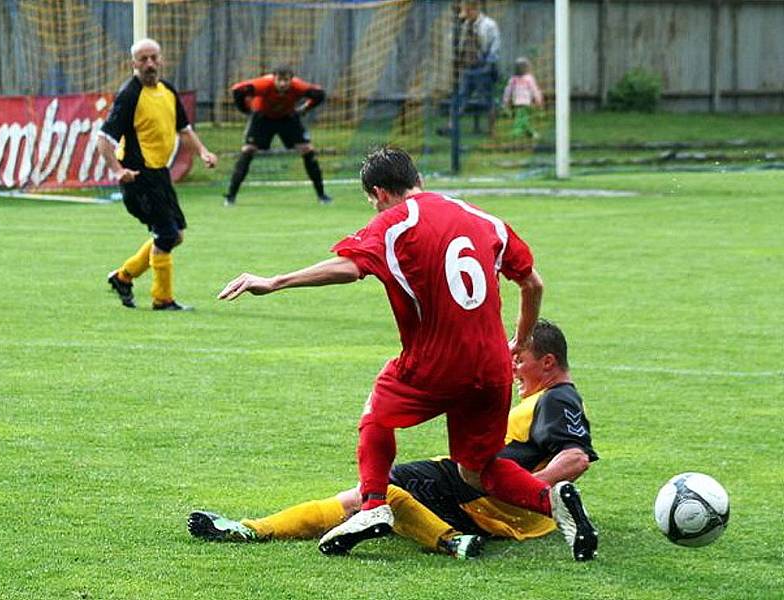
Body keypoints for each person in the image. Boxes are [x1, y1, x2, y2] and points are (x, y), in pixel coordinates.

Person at [217, 147, 598, 561]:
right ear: (419, 179)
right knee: (478, 469)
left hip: (436, 359)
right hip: (491, 366)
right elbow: (533, 284)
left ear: (379, 193)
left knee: (376, 412)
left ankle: (373, 506)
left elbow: (349, 267)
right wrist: (520, 341)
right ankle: (553, 501)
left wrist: (274, 281)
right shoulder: (485, 220)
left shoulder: (396, 221)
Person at [187, 319, 598, 561]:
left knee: (371, 493)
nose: (511, 369)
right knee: (385, 501)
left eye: (519, 360)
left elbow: (576, 458)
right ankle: (454, 541)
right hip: (490, 507)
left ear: (547, 362)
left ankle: (250, 530)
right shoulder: (548, 398)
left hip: (486, 493)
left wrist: (533, 494)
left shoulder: (557, 397)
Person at [97, 38, 217, 311]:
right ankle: (162, 299)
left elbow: (184, 129)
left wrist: (203, 152)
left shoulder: (168, 91)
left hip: (159, 175)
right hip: (139, 178)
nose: (149, 64)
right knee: (166, 236)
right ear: (133, 64)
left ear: (161, 59)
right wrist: (118, 171)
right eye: (143, 59)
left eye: (153, 58)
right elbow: (103, 138)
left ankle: (123, 276)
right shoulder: (129, 95)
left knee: (175, 235)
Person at [223, 65, 330, 206]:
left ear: (291, 80)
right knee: (248, 150)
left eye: (286, 80)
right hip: (263, 117)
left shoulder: (298, 87)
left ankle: (322, 196)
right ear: (274, 78)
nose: (282, 84)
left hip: (287, 117)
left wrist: (305, 108)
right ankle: (230, 197)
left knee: (307, 149)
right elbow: (237, 90)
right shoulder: (264, 84)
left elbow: (319, 94)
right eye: (279, 80)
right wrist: (246, 109)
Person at [441, 0, 501, 135]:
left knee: (488, 99)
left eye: (467, 10)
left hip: (482, 67)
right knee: (460, 97)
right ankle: (451, 127)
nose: (465, 13)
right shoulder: (462, 25)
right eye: (464, 10)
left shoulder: (488, 25)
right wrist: (458, 24)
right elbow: (451, 41)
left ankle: (492, 130)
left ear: (475, 9)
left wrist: (489, 64)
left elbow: (495, 45)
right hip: (466, 69)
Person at [502, 57, 544, 140]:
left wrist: (538, 99)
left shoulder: (529, 78)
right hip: (517, 103)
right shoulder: (513, 79)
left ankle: (518, 133)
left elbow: (534, 89)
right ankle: (529, 133)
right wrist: (506, 101)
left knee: (521, 119)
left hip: (526, 103)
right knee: (522, 119)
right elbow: (508, 90)